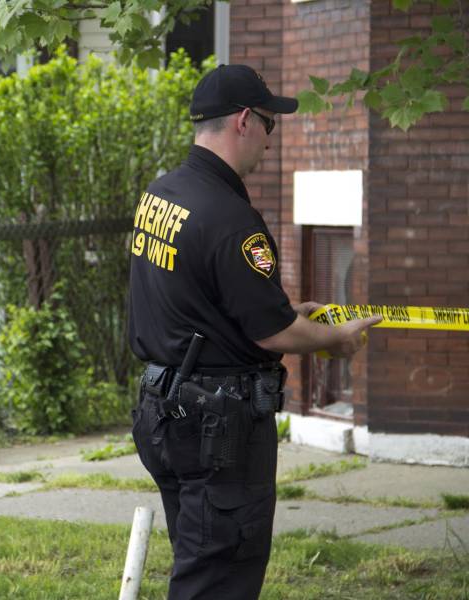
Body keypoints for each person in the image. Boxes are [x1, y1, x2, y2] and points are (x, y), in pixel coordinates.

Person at [128, 64, 381, 600]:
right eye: (271, 124)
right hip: (218, 430)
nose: (272, 139)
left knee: (197, 561)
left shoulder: (164, 193)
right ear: (244, 120)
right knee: (219, 576)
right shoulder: (230, 216)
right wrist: (332, 339)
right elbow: (272, 334)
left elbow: (202, 301)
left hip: (165, 410)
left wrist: (284, 313)